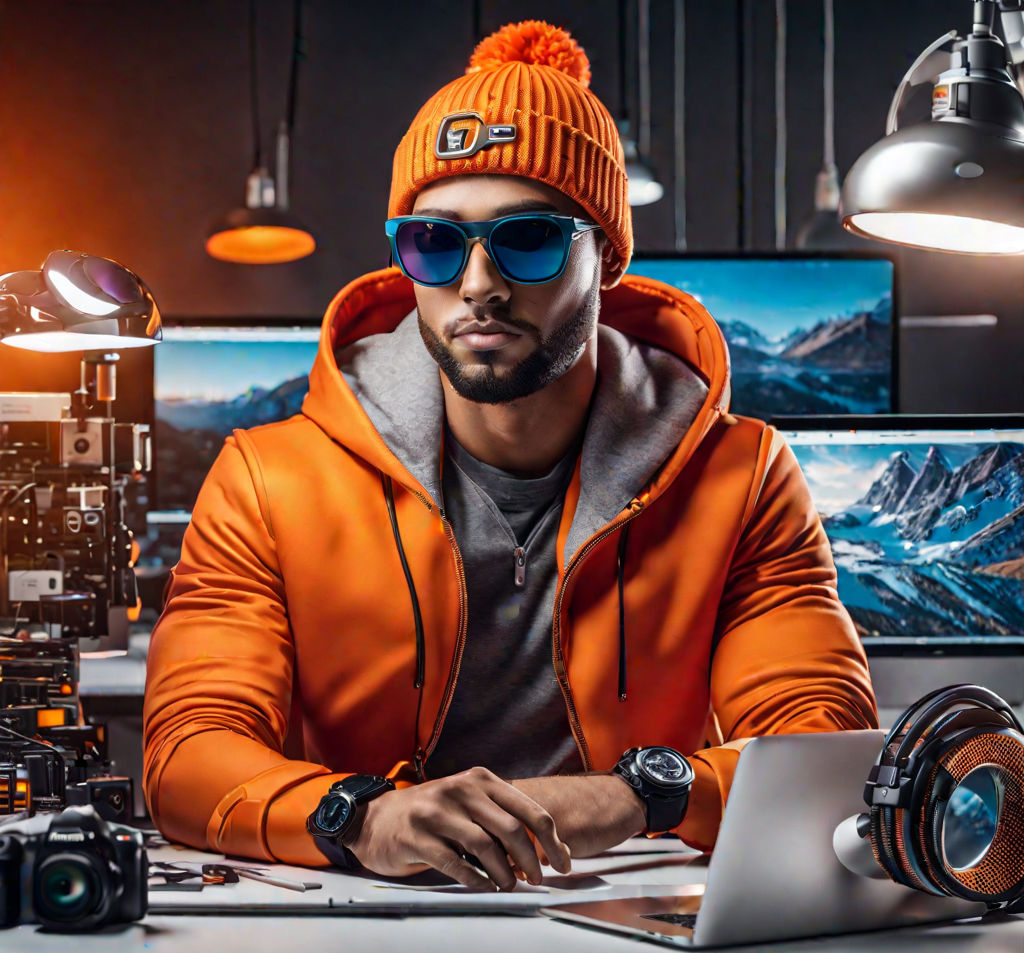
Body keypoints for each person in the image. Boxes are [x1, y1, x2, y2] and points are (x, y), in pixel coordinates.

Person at [143, 21, 877, 890]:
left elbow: (823, 745)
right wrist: (364, 816)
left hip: (634, 914)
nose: (478, 283)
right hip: (369, 907)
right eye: (434, 243)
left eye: (526, 239)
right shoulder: (269, 479)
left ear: (605, 255)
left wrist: (634, 798)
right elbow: (188, 752)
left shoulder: (742, 476)